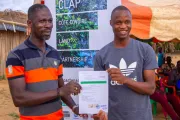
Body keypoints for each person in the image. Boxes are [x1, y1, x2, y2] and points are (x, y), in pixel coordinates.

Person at [5, 4, 82, 120]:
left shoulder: (55, 54)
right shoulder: (16, 56)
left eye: (50, 21)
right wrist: (59, 91)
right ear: (30, 24)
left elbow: (61, 89)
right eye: (42, 21)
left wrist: (75, 107)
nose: (48, 25)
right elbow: (19, 98)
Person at [93, 5, 158, 120]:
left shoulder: (145, 50)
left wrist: (125, 80)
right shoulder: (101, 55)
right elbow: (98, 91)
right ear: (111, 23)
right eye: (118, 22)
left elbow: (151, 88)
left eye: (127, 22)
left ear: (131, 22)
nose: (123, 26)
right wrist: (96, 111)